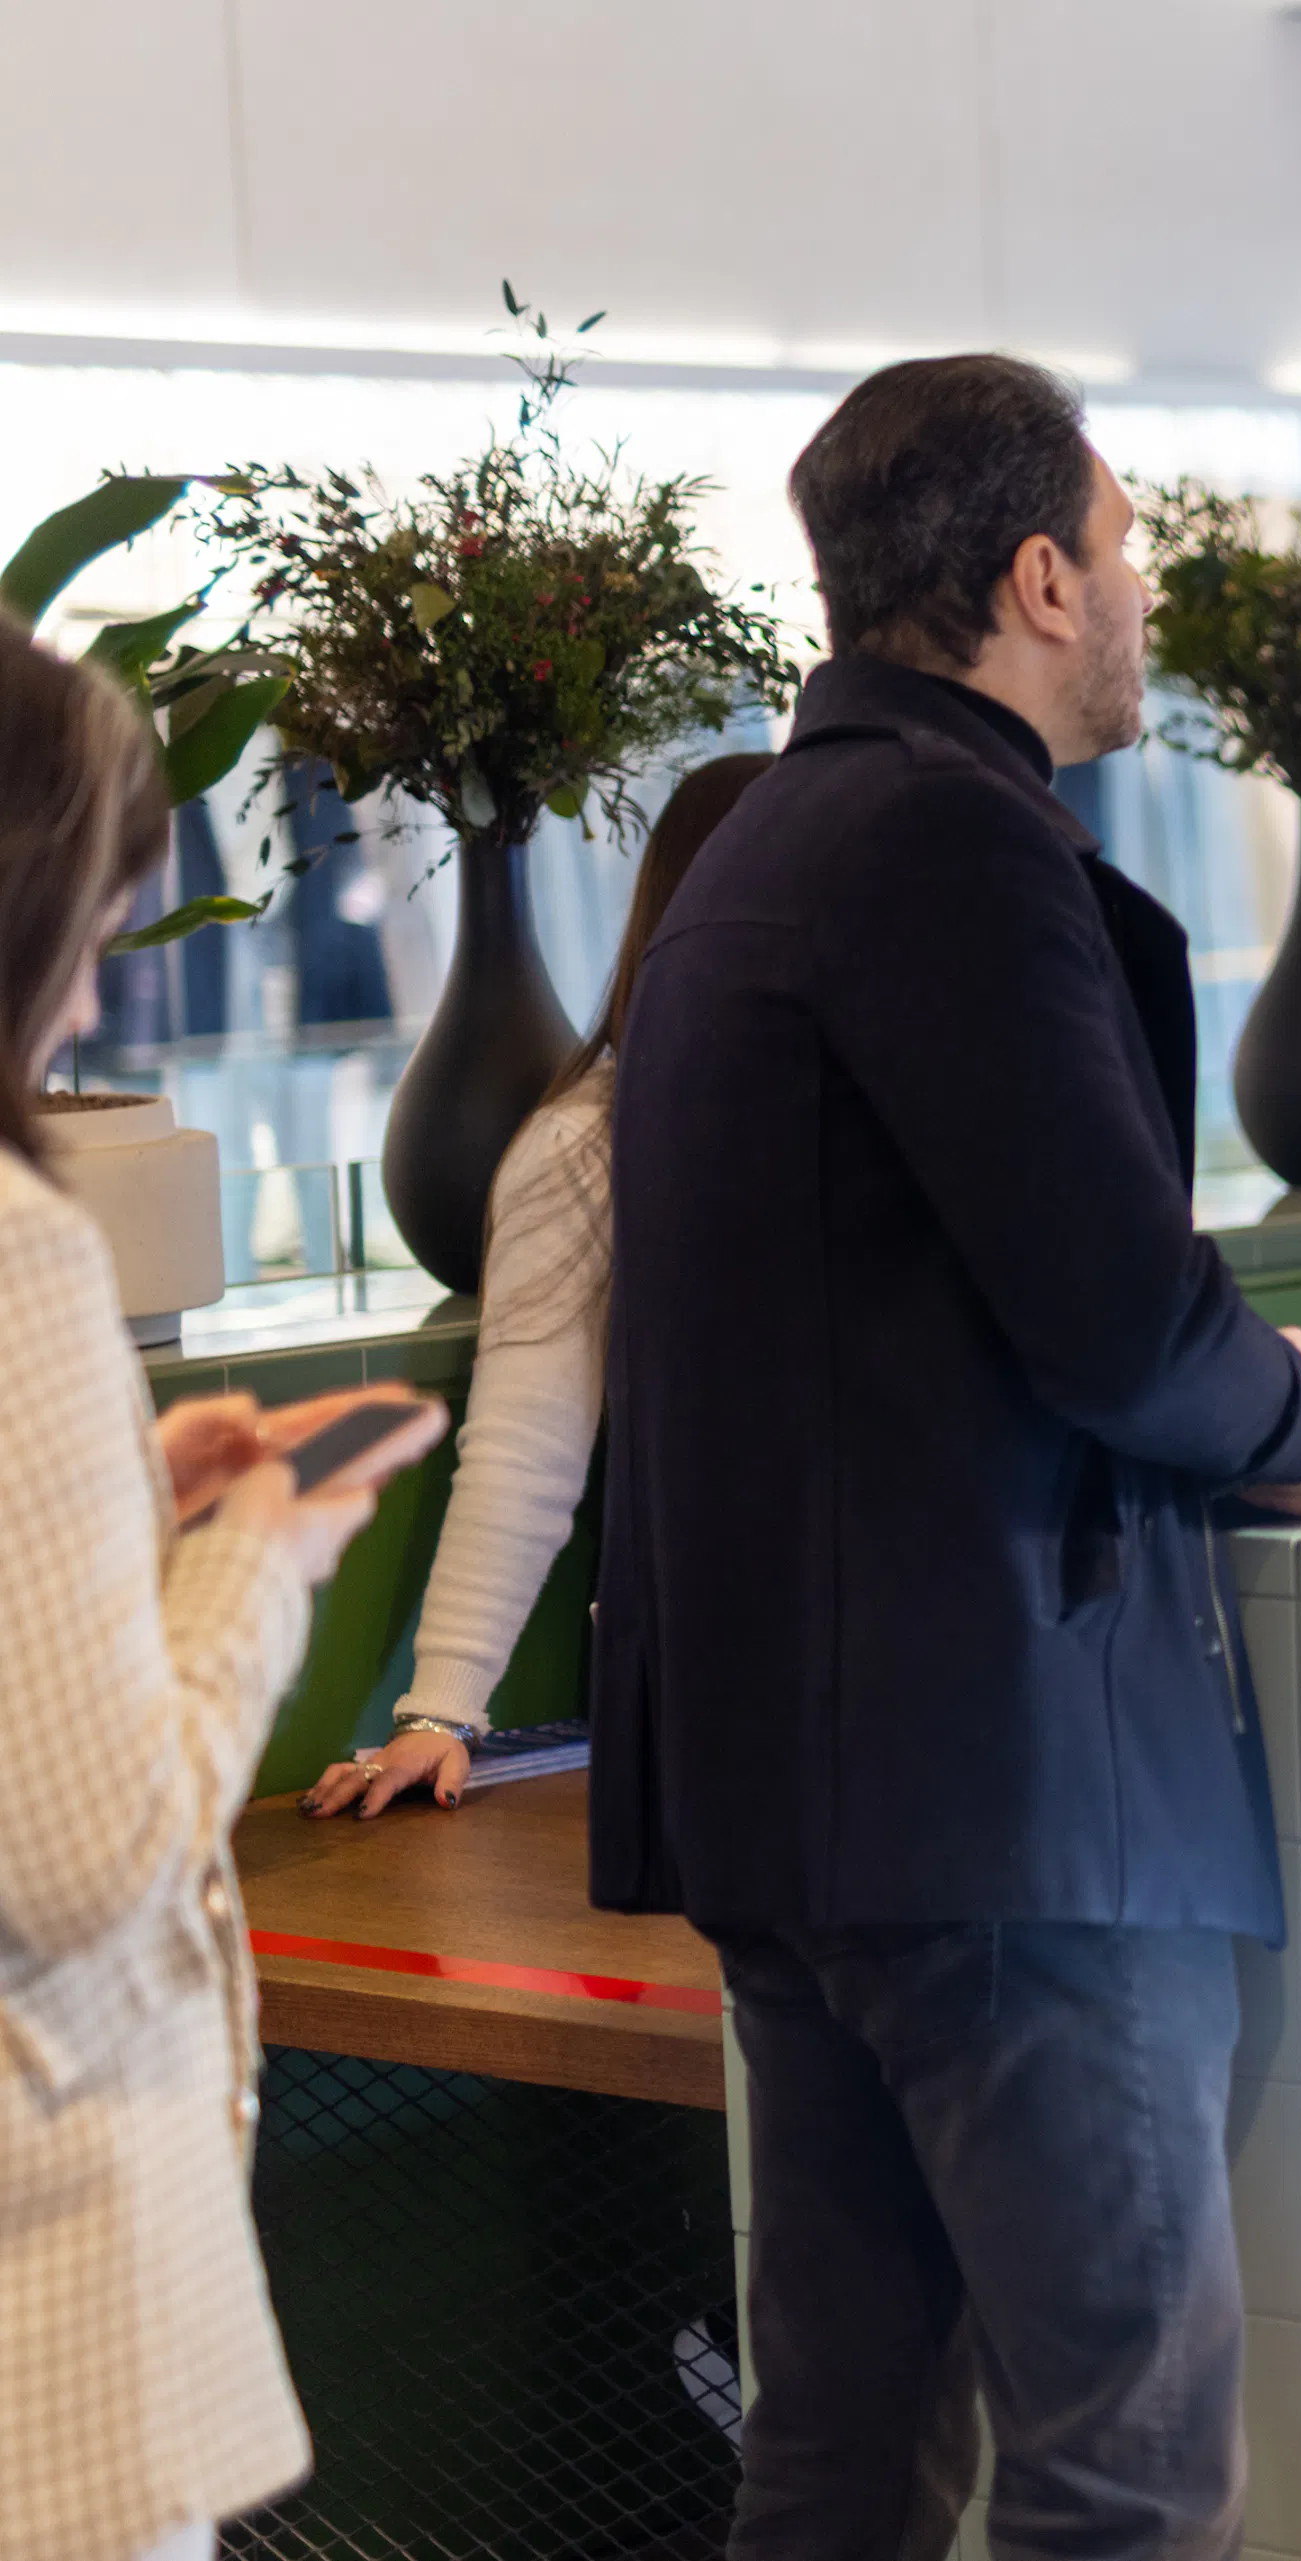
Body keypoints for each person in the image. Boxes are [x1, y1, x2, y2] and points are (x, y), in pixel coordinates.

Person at [591, 355, 1301, 2561]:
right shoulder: (953, 844)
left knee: (846, 2457)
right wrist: (1299, 1424)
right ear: (1039, 577)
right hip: (999, 1797)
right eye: (1129, 549)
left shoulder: (760, 844)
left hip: (799, 1792)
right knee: (1120, 2468)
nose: (1143, 597)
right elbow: (1108, 1304)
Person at [0, 631, 444, 2561]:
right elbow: (92, 1847)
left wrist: (121, 1494)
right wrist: (252, 1557)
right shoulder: (15, 1261)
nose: (91, 990)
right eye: (87, 927)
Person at [305, 753, 774, 1818]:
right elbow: (526, 1440)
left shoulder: (898, 1112)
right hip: (720, 1702)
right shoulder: (591, 1144)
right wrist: (441, 1707)